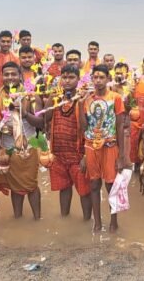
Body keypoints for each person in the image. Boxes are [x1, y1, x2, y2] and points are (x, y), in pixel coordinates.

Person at [34, 64, 92, 220]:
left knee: (84, 191)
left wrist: (86, 156)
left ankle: (87, 221)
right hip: (59, 153)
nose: (67, 81)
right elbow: (46, 119)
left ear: (78, 80)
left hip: (78, 154)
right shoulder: (57, 98)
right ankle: (64, 218)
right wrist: (51, 99)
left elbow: (87, 128)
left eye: (71, 77)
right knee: (64, 188)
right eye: (64, 77)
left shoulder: (84, 99)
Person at [80, 64, 127, 232]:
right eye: (95, 77)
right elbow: (83, 127)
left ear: (108, 79)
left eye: (102, 77)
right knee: (94, 185)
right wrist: (80, 104)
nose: (98, 80)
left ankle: (114, 222)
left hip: (110, 146)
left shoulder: (115, 97)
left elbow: (120, 126)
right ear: (92, 79)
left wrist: (121, 155)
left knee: (111, 186)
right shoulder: (86, 99)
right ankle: (97, 223)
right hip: (91, 147)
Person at [0, 61, 42, 220]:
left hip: (29, 148)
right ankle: (18, 218)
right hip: (7, 149)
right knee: (15, 187)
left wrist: (25, 113)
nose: (10, 77)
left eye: (13, 74)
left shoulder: (31, 96)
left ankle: (37, 219)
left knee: (32, 185)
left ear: (20, 76)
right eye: (6, 74)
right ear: (2, 77)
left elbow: (41, 123)